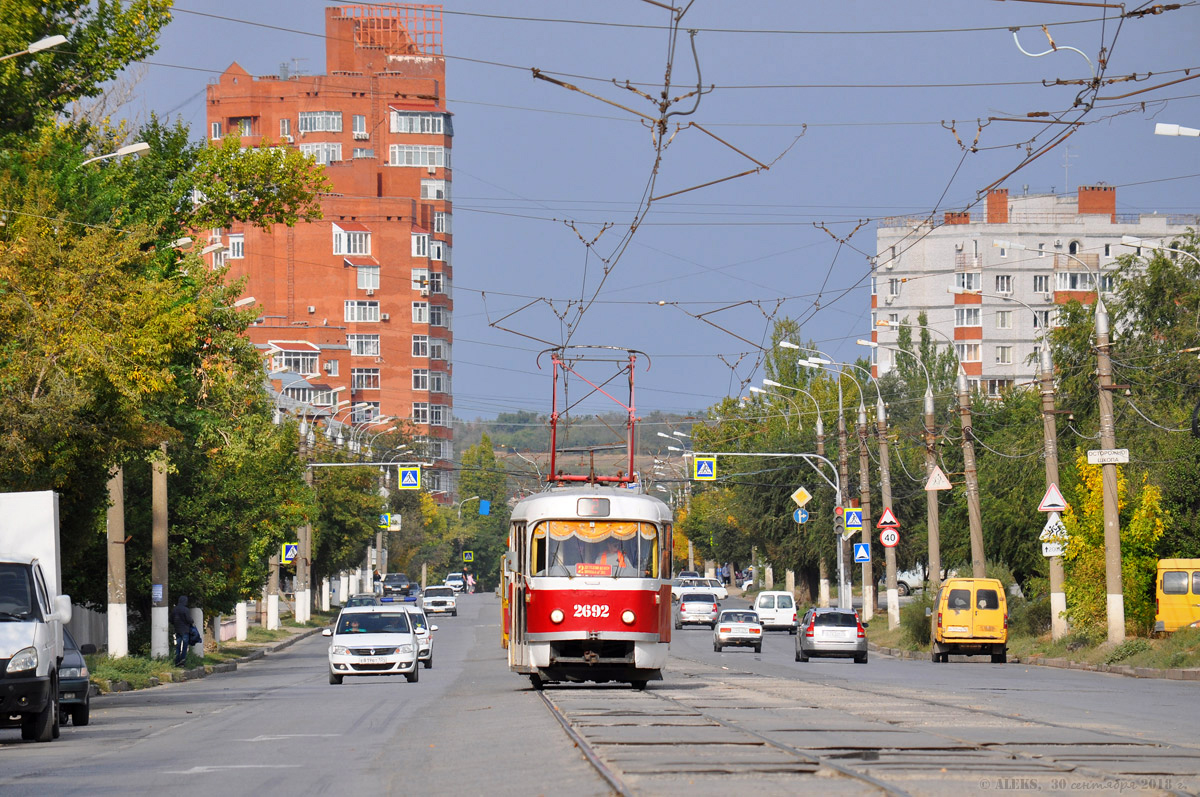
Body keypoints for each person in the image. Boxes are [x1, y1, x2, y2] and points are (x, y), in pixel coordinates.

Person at [171, 595, 192, 666]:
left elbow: (170, 619)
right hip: (185, 630)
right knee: (185, 646)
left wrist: (175, 623)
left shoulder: (174, 609)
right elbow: (189, 619)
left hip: (177, 630)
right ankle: (182, 660)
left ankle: (177, 661)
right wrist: (192, 621)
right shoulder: (186, 609)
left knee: (178, 646)